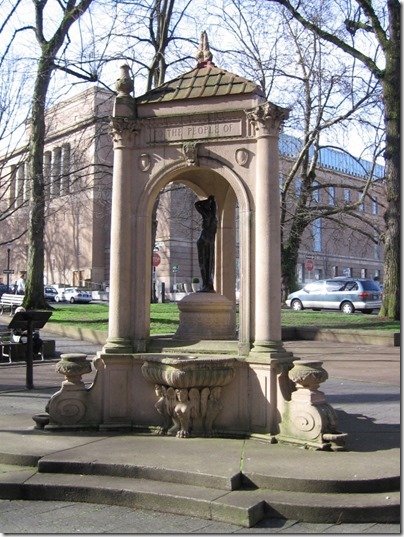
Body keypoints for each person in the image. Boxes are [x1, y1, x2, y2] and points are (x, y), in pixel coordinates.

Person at [194, 195, 218, 293]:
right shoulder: (212, 217)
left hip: (205, 243)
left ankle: (207, 284)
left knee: (205, 265)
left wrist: (208, 201)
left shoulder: (208, 216)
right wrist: (210, 201)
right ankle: (206, 284)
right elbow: (197, 205)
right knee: (206, 265)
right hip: (206, 243)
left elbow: (197, 204)